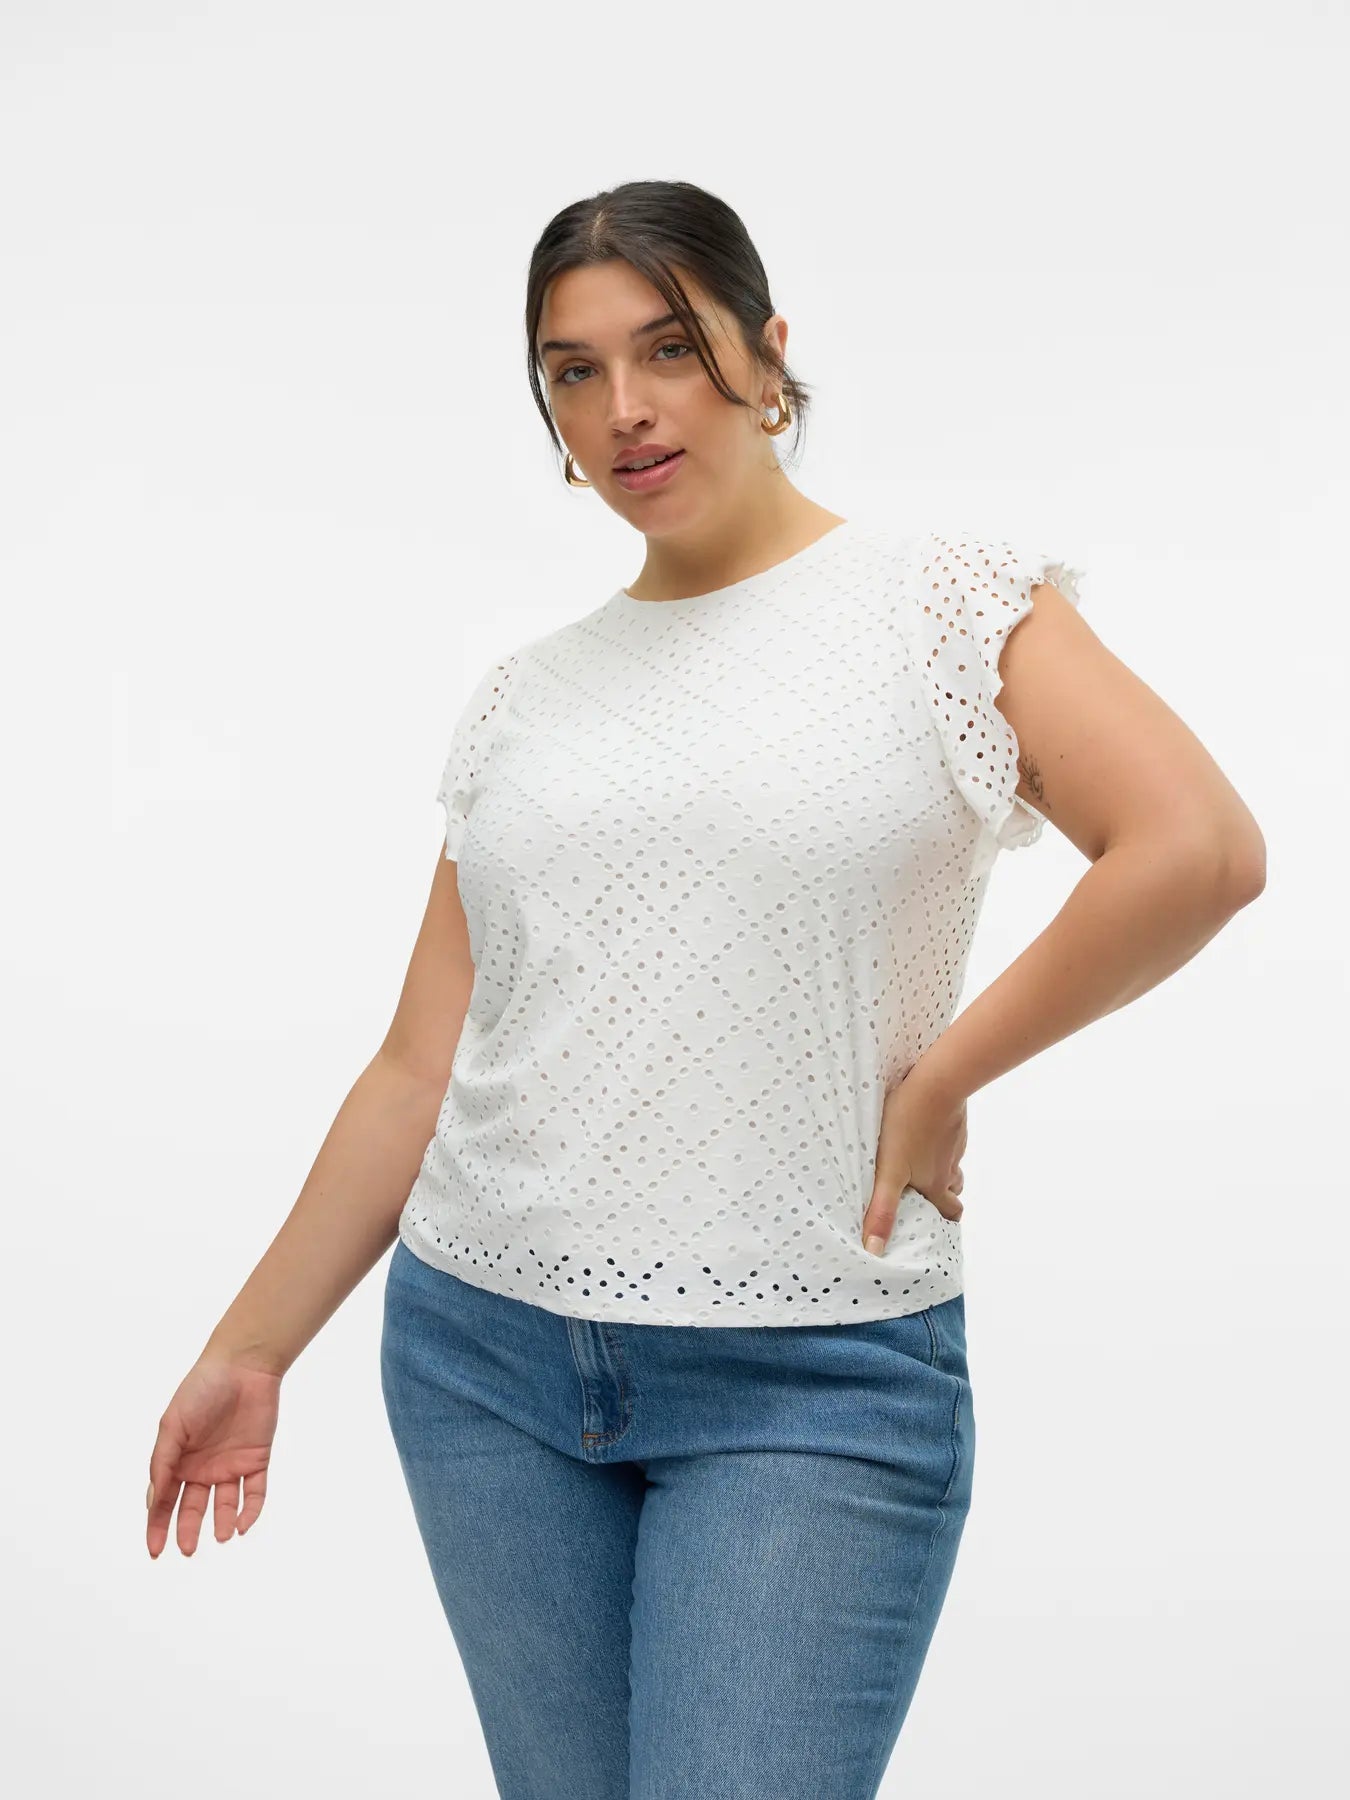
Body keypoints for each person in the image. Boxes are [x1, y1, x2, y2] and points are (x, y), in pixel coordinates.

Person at [144, 179, 1266, 1798]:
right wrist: (251, 1347)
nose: (624, 406)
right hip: (483, 1360)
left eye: (667, 346)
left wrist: (943, 1076)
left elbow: (1196, 851)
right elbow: (418, 1067)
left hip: (808, 1375)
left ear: (766, 349)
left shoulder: (942, 602)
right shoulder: (526, 697)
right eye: (573, 371)